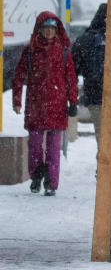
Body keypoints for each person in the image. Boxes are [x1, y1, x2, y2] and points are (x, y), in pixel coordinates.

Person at [12, 12, 79, 196]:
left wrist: (73, 101)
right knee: (34, 145)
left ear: (56, 30)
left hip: (57, 105)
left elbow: (71, 79)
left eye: (52, 28)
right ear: (39, 29)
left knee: (53, 148)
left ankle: (51, 183)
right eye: (45, 28)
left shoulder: (64, 51)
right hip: (36, 105)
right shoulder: (30, 51)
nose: (49, 32)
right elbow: (18, 77)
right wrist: (16, 100)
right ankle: (36, 175)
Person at [71, 3, 107, 159]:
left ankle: (104, 167)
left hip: (95, 95)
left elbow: (73, 68)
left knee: (102, 134)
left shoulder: (85, 39)